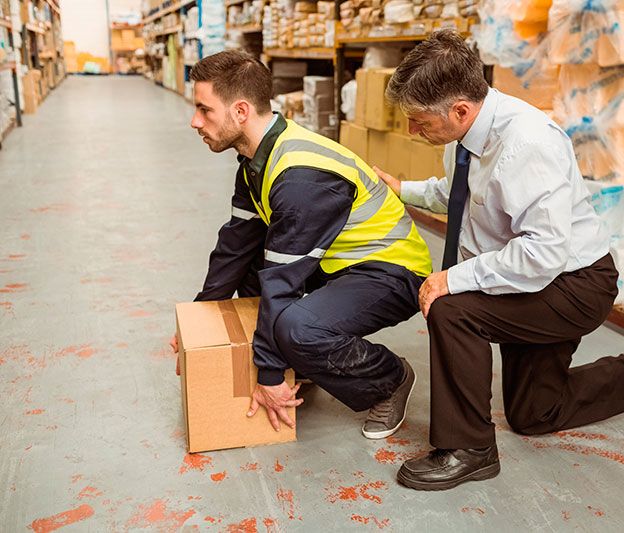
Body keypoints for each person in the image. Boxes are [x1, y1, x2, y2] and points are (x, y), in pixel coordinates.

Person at [372, 30, 624, 491]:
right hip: (530, 278)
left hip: (572, 285)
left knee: (452, 309)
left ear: (458, 109)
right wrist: (403, 189)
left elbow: (543, 253)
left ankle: (468, 448)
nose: (413, 131)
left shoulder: (527, 143)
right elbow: (457, 193)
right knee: (536, 414)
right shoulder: (467, 135)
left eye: (418, 120)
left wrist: (454, 278)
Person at [170, 50, 432, 439]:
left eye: (204, 110)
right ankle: (308, 362)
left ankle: (389, 378)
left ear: (240, 111)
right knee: (250, 272)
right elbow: (235, 246)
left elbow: (283, 282)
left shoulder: (300, 178)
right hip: (335, 265)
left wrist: (270, 374)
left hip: (391, 271)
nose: (195, 121)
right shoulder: (257, 160)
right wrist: (200, 318)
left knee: (296, 327)